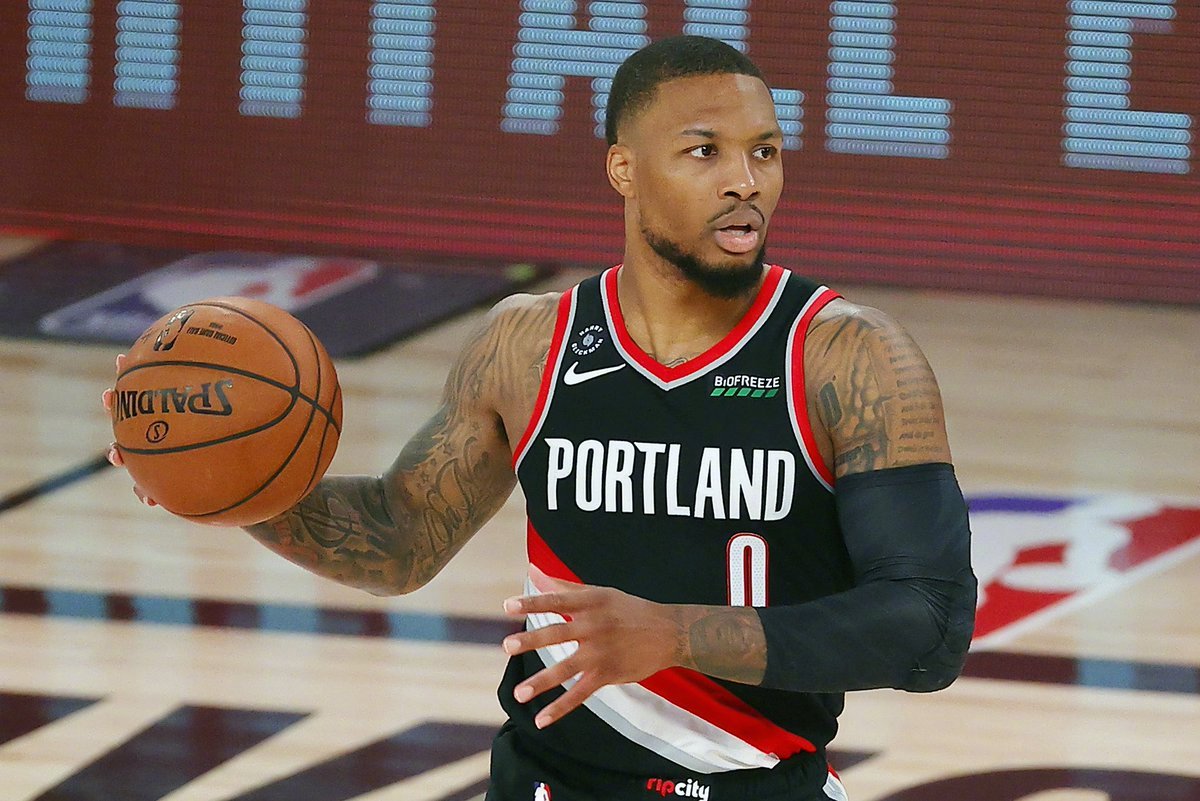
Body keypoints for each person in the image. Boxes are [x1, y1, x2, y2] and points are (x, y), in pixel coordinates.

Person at [105, 35, 976, 801]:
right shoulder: (528, 345)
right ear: (624, 169)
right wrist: (221, 482)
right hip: (545, 782)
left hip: (755, 786)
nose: (744, 181)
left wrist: (675, 634)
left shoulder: (846, 356)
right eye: (704, 151)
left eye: (765, 151)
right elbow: (399, 539)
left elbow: (930, 627)